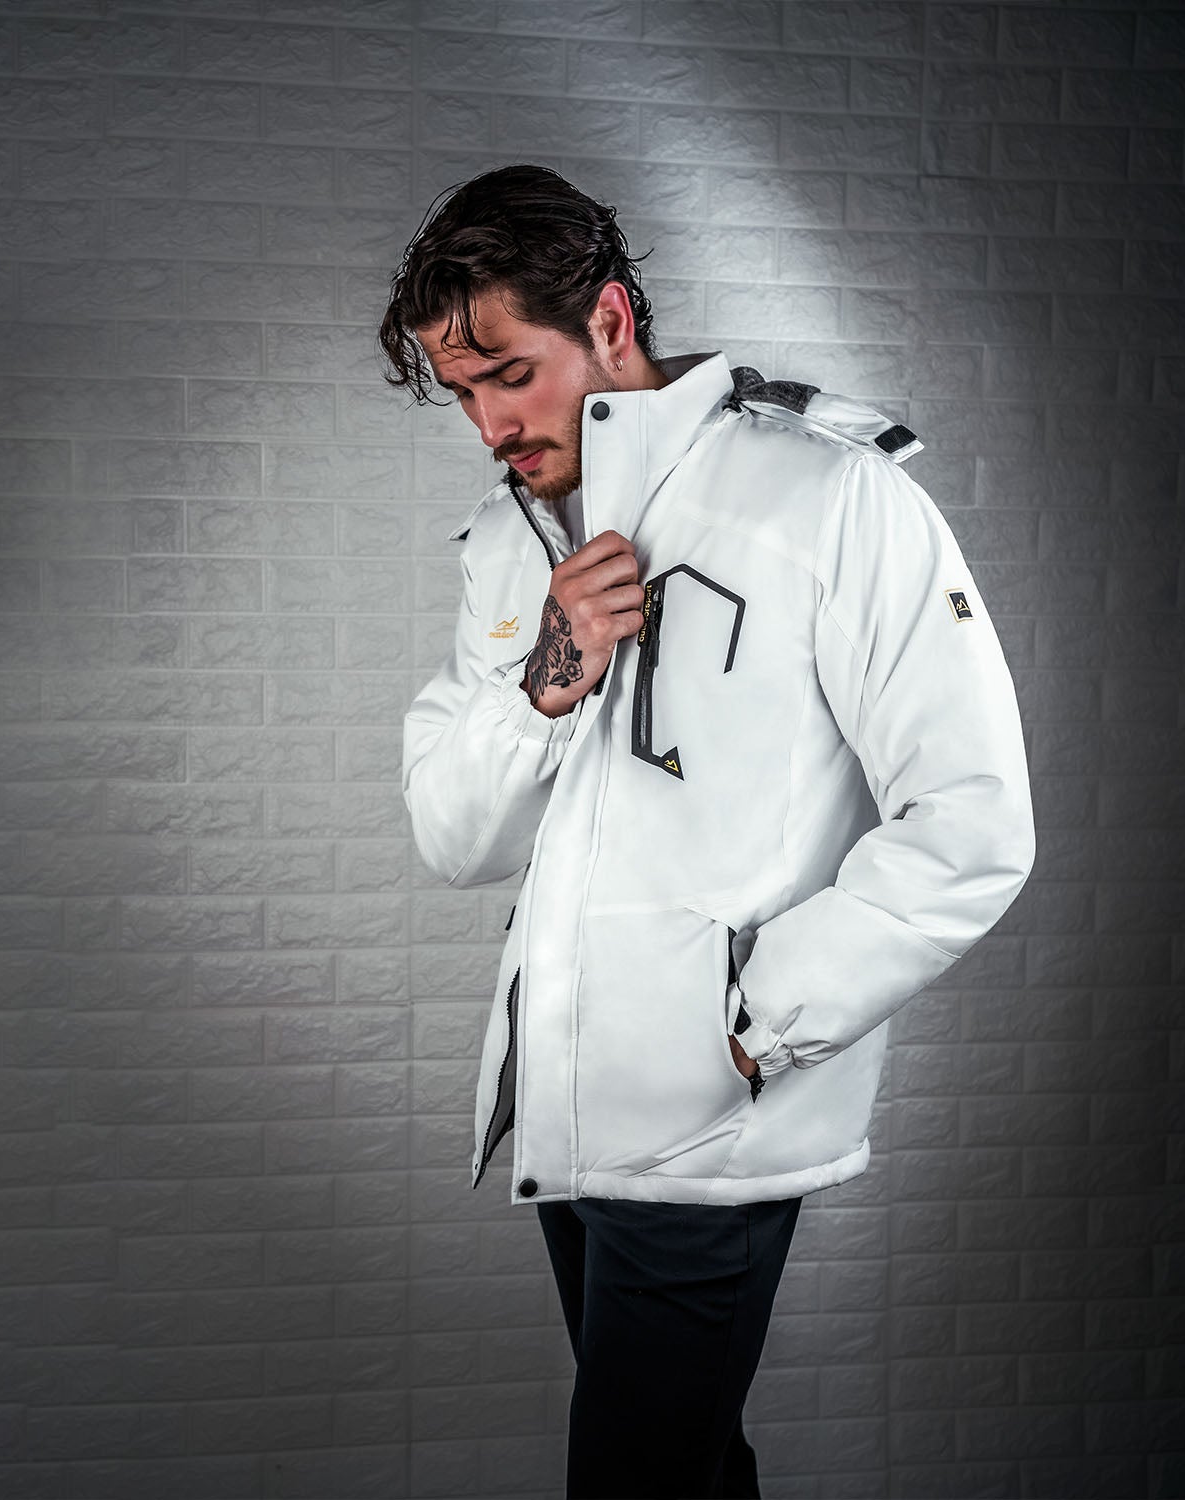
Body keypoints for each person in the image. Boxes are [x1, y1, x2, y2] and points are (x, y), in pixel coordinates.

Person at [383, 164, 1036, 1499]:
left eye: (510, 374)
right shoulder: (508, 542)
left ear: (610, 320)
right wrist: (548, 683)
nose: (492, 424)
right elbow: (454, 837)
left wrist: (756, 1023)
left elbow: (973, 822)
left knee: (637, 1476)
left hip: (710, 1125)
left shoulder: (827, 497)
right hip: (567, 1117)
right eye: (462, 392)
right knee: (682, 1471)